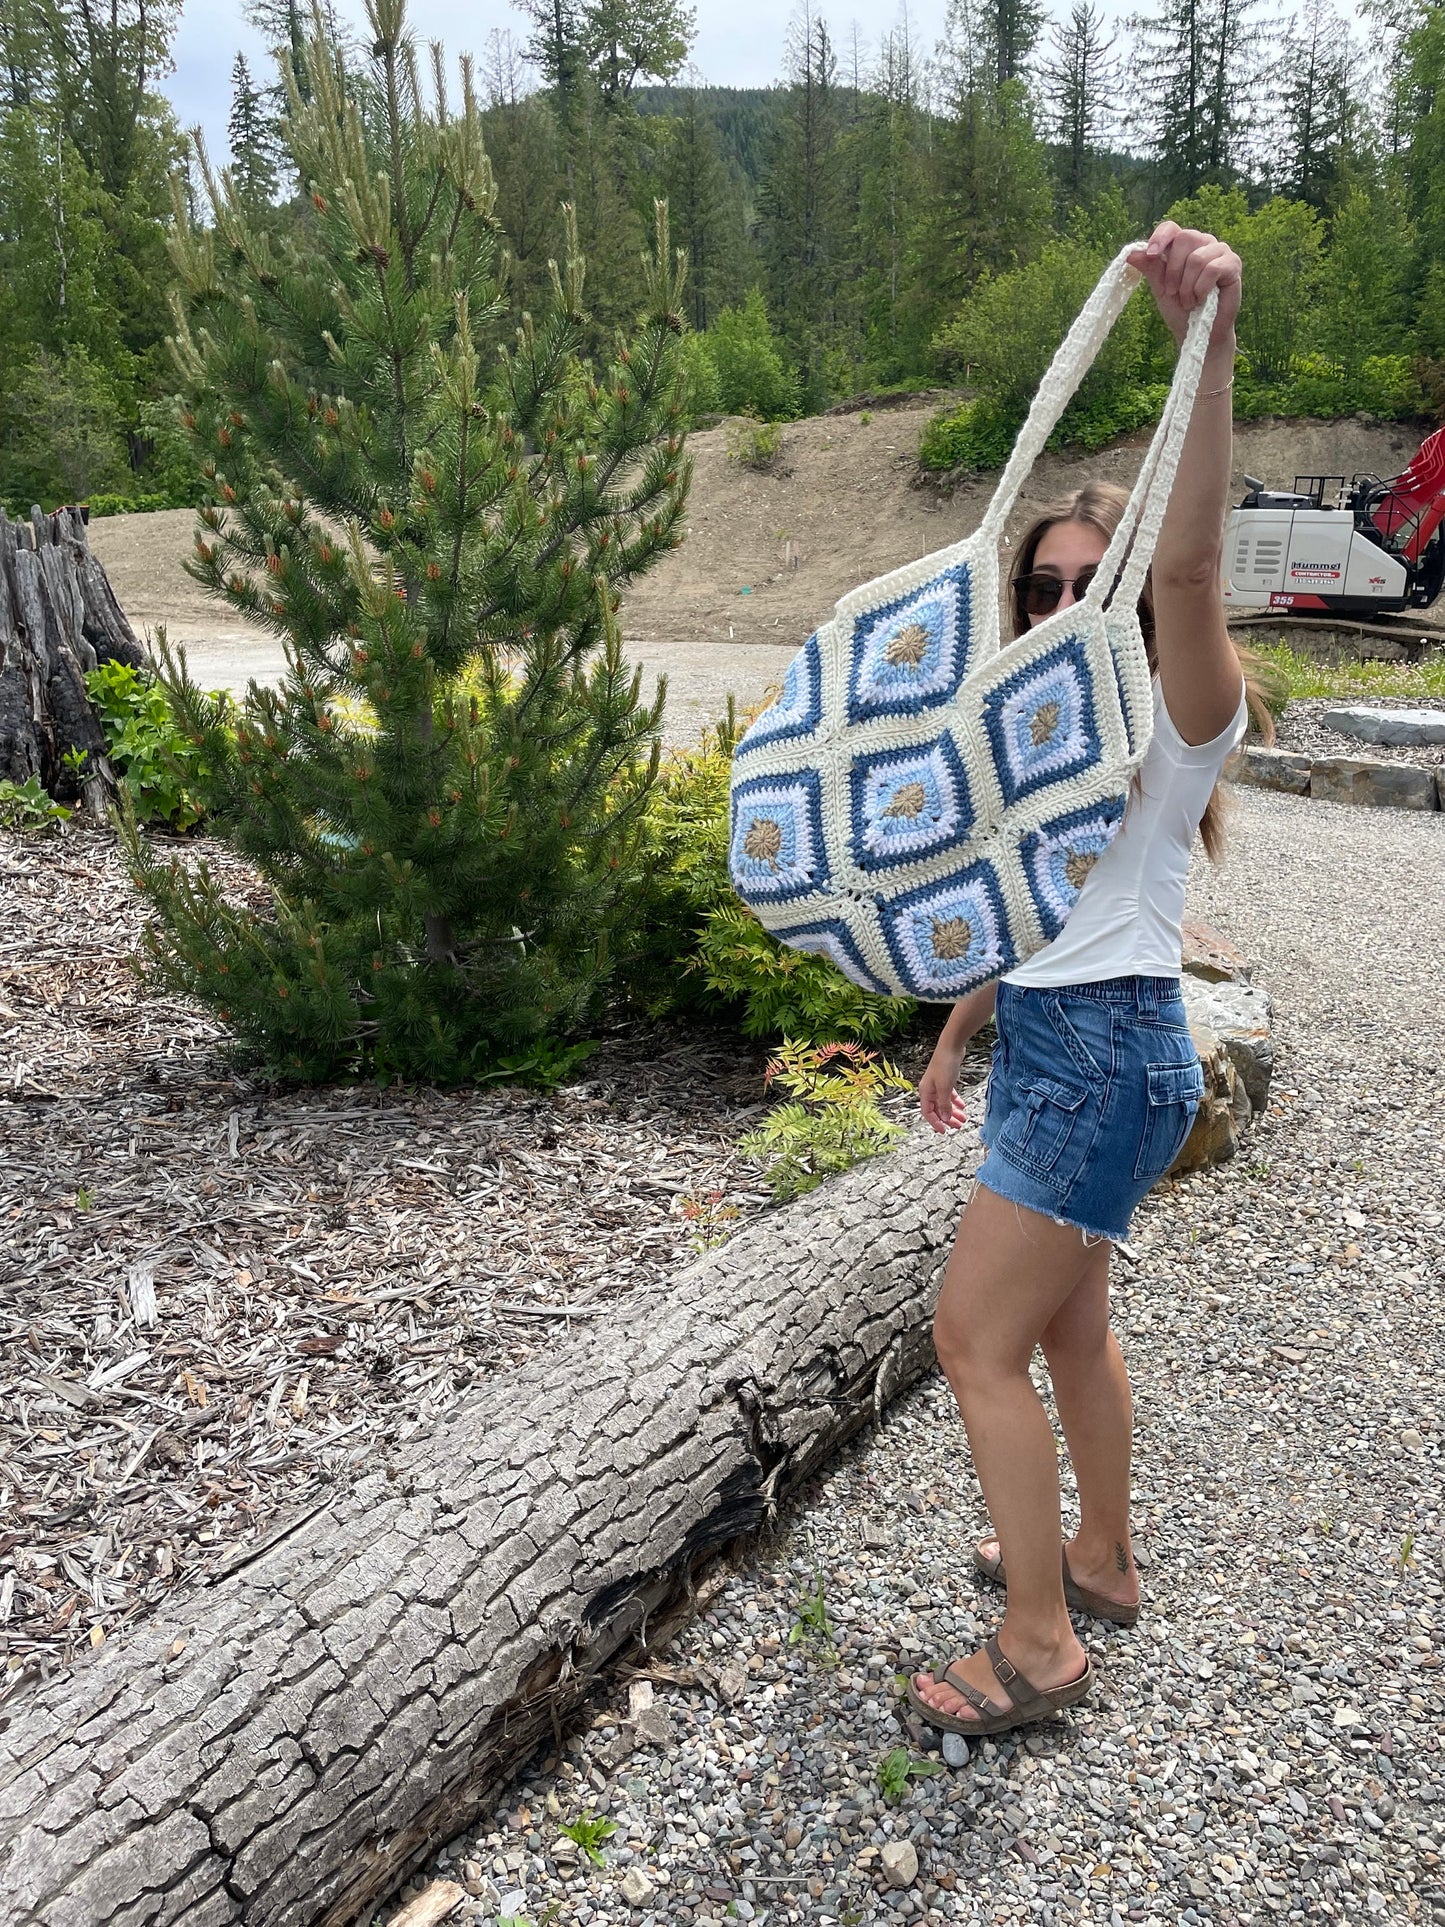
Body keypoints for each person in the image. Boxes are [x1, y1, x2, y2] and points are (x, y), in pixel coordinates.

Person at [907, 222, 1274, 1739]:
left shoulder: (1178, 719)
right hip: (1074, 1044)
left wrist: (1210, 354)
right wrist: (955, 1034)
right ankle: (1101, 1560)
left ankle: (1040, 1643)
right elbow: (1028, 922)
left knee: (970, 1340)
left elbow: (1189, 562)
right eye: (1040, 588)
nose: (1061, 608)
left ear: (1129, 602)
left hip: (1102, 1059)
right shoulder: (1037, 742)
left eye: (1088, 584)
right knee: (1062, 1330)